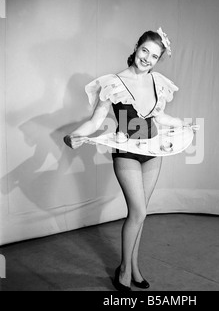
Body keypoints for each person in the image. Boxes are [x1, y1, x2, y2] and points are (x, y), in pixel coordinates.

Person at [64, 28, 189, 291]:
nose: (147, 59)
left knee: (140, 214)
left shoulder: (158, 82)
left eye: (154, 56)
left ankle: (133, 267)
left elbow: (160, 118)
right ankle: (123, 268)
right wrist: (74, 135)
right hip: (127, 151)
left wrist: (183, 124)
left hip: (153, 151)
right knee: (139, 212)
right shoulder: (114, 82)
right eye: (145, 51)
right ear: (137, 47)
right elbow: (96, 121)